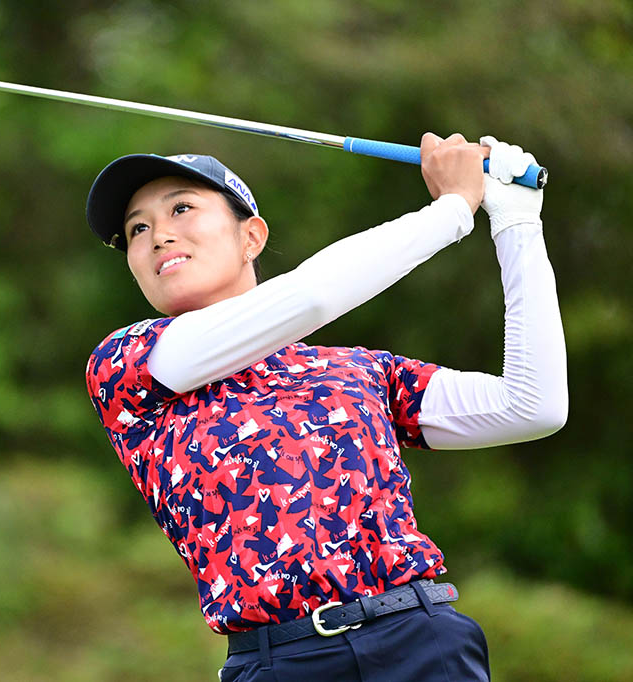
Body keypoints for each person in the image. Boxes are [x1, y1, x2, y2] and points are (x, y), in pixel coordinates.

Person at [83, 133, 567, 681]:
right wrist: (453, 209)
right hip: (280, 662)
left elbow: (532, 405)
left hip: (420, 641)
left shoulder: (358, 369)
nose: (159, 235)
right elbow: (311, 296)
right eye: (137, 229)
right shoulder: (129, 365)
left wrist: (517, 224)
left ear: (251, 237)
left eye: (181, 209)